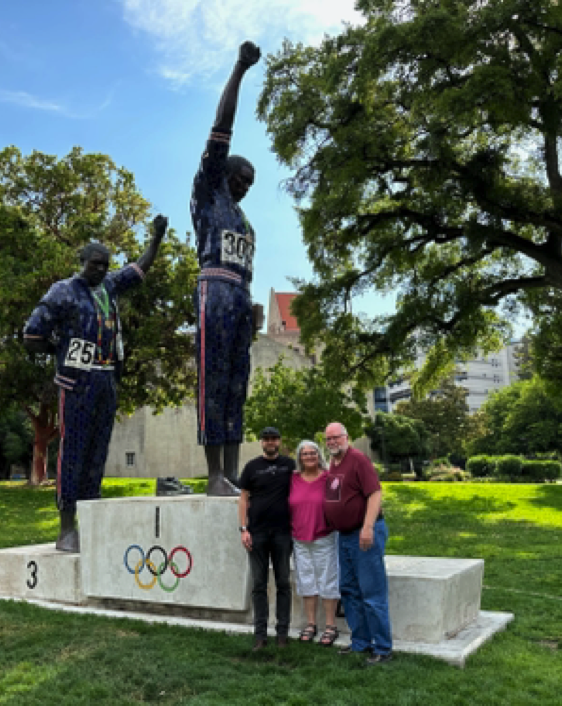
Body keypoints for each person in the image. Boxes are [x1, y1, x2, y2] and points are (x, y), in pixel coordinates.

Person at [22, 216, 167, 552]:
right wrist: (58, 347)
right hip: (76, 383)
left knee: (97, 455)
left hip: (106, 380)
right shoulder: (63, 291)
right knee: (73, 453)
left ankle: (91, 523)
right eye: (95, 264)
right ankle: (66, 528)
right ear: (82, 263)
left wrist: (157, 237)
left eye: (105, 265)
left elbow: (140, 268)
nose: (101, 270)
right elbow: (31, 335)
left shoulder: (110, 288)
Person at [191, 40, 265, 496]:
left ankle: (233, 474)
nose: (243, 186)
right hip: (214, 291)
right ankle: (214, 473)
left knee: (238, 383)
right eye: (239, 177)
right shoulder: (208, 191)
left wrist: (253, 306)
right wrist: (239, 69)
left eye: (250, 184)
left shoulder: (244, 220)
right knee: (213, 379)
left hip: (240, 297)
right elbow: (223, 125)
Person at [323, 422, 393, 665]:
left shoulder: (358, 460)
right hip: (344, 536)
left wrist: (368, 527)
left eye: (336, 437)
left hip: (363, 534)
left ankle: (383, 648)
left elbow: (374, 493)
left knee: (372, 591)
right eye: (328, 439)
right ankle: (361, 642)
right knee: (349, 589)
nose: (332, 442)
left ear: (347, 437)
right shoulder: (333, 463)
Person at [237, 426, 296, 650]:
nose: (270, 442)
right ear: (261, 442)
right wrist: (243, 528)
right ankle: (260, 635)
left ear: (279, 441)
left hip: (283, 533)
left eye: (274, 439)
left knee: (283, 583)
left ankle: (282, 634)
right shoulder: (252, 467)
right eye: (266, 439)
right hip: (257, 533)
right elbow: (243, 499)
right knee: (259, 585)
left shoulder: (289, 465)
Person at [290, 440, 341, 646]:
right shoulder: (292, 479)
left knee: (328, 580)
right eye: (305, 454)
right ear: (299, 458)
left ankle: (331, 626)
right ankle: (311, 624)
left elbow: (339, 504)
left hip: (324, 537)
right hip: (299, 538)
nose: (309, 456)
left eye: (313, 453)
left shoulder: (330, 478)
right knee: (306, 581)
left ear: (319, 456)